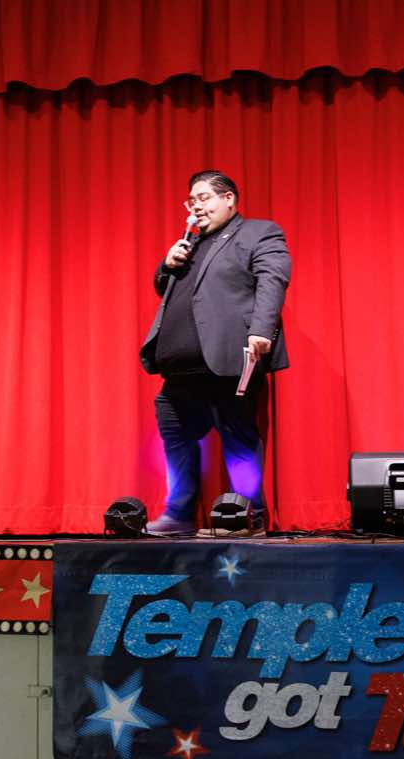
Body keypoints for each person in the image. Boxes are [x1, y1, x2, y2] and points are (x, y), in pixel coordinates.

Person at [139, 170, 291, 536]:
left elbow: (273, 280)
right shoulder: (189, 244)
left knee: (239, 439)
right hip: (180, 371)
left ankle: (248, 517)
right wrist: (166, 266)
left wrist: (261, 329)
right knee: (175, 437)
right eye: (192, 201)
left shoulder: (258, 232)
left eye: (203, 198)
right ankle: (179, 514)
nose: (196, 207)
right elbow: (168, 291)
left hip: (228, 360)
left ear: (229, 199)